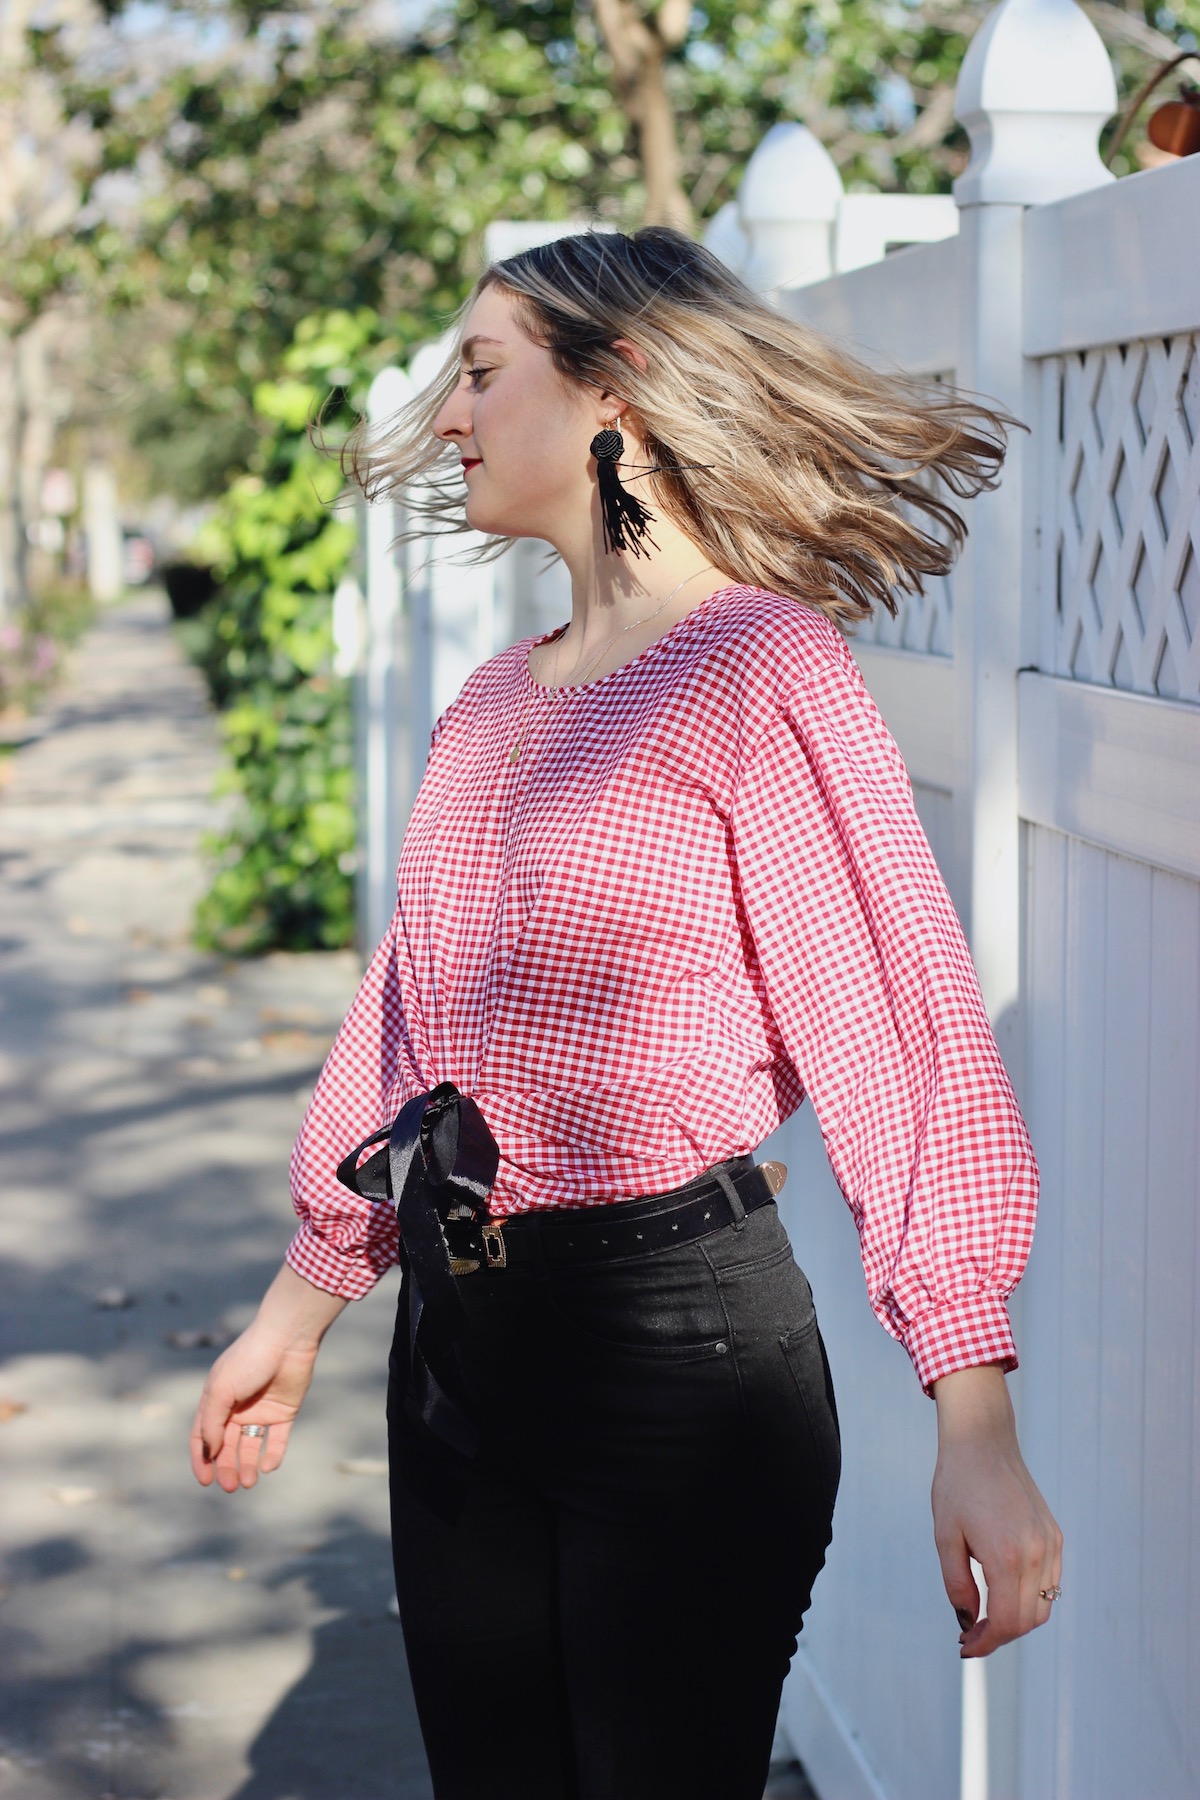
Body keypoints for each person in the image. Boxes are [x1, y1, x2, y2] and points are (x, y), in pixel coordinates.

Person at [190, 226, 1062, 1800]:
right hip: (458, 1355)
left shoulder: (759, 669)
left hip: (677, 1366)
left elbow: (897, 1032)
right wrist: (300, 1308)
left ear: (619, 386)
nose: (453, 417)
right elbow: (408, 1037)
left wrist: (975, 1418)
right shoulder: (487, 707)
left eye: (481, 373)